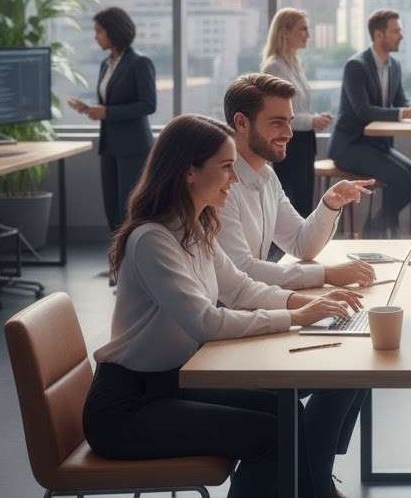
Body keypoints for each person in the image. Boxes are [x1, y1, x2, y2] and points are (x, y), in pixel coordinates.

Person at [83, 114, 366, 498]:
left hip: (171, 382)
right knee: (271, 434)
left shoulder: (195, 228)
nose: (234, 180)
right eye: (227, 167)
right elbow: (206, 322)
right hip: (128, 408)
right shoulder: (153, 240)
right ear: (189, 173)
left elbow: (240, 289)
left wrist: (304, 302)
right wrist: (296, 316)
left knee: (288, 414)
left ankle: (315, 492)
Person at [217, 72, 377, 290]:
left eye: (289, 122)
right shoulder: (218, 184)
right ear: (241, 123)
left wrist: (329, 204)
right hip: (222, 316)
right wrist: (326, 274)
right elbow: (242, 271)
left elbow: (301, 245)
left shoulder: (267, 176)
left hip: (249, 308)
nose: (289, 133)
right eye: (277, 123)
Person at [328, 9, 411, 238]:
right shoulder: (356, 66)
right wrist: (407, 112)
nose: (401, 36)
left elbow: (400, 102)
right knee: (402, 178)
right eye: (396, 31)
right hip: (351, 145)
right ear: (378, 34)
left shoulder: (394, 66)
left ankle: (375, 227)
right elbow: (363, 111)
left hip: (378, 145)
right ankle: (378, 231)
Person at [68, 6, 156, 235]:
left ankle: (133, 261)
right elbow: (110, 102)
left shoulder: (140, 63)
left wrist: (107, 112)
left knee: (130, 209)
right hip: (109, 146)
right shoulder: (105, 65)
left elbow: (149, 105)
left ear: (113, 31)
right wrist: (90, 109)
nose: (95, 36)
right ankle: (118, 260)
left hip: (134, 147)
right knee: (112, 208)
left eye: (99, 31)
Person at [261, 8, 332, 216]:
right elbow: (277, 117)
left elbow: (297, 107)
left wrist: (314, 119)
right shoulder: (274, 67)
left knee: (304, 204)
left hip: (304, 142)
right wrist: (312, 121)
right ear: (285, 32)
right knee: (293, 206)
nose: (308, 35)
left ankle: (302, 247)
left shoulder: (293, 64)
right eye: (303, 29)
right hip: (290, 144)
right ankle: (289, 249)